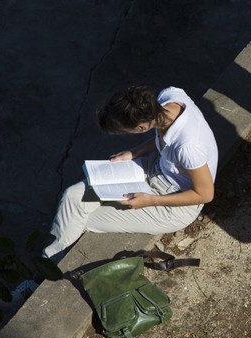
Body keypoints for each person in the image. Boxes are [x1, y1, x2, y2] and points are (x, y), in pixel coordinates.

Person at [42, 85, 218, 261]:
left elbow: (205, 194)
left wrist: (151, 201)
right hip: (154, 169)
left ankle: (44, 274)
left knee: (81, 221)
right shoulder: (169, 96)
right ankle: (47, 263)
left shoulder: (189, 147)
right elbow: (163, 137)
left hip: (174, 203)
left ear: (141, 127)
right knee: (72, 197)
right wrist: (134, 152)